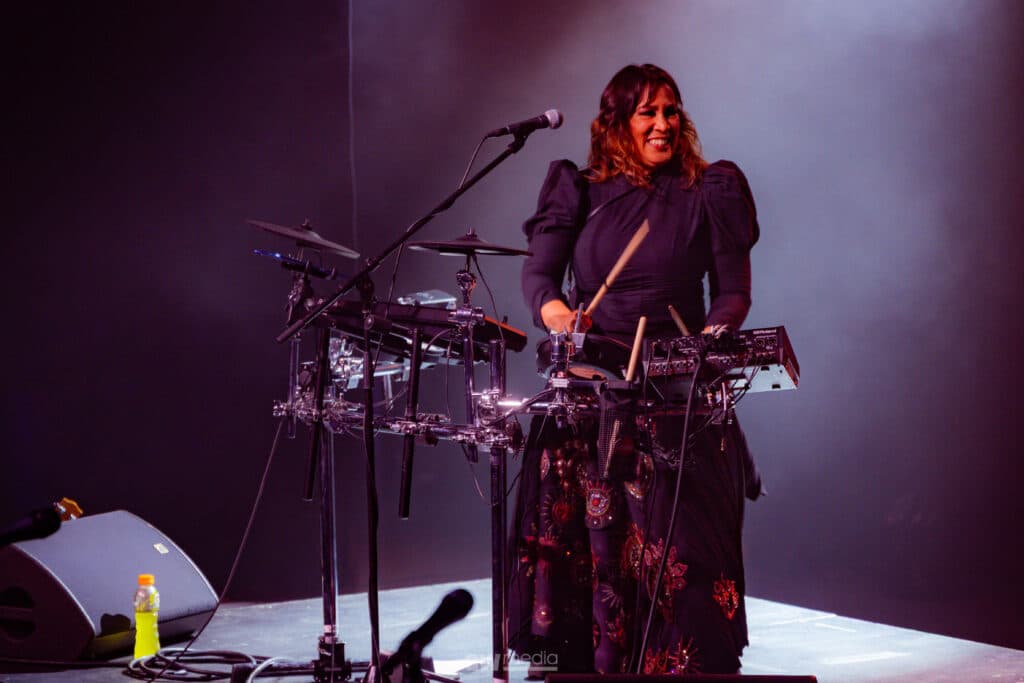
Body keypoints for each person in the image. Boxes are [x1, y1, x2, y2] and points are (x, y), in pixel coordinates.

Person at [508, 63, 763, 676]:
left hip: (675, 390)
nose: (663, 124)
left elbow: (732, 292)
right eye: (648, 112)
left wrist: (711, 336)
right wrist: (560, 316)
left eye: (671, 111)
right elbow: (540, 277)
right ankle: (576, 664)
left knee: (685, 560)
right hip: (593, 388)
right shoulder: (579, 190)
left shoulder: (709, 190)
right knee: (582, 553)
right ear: (617, 122)